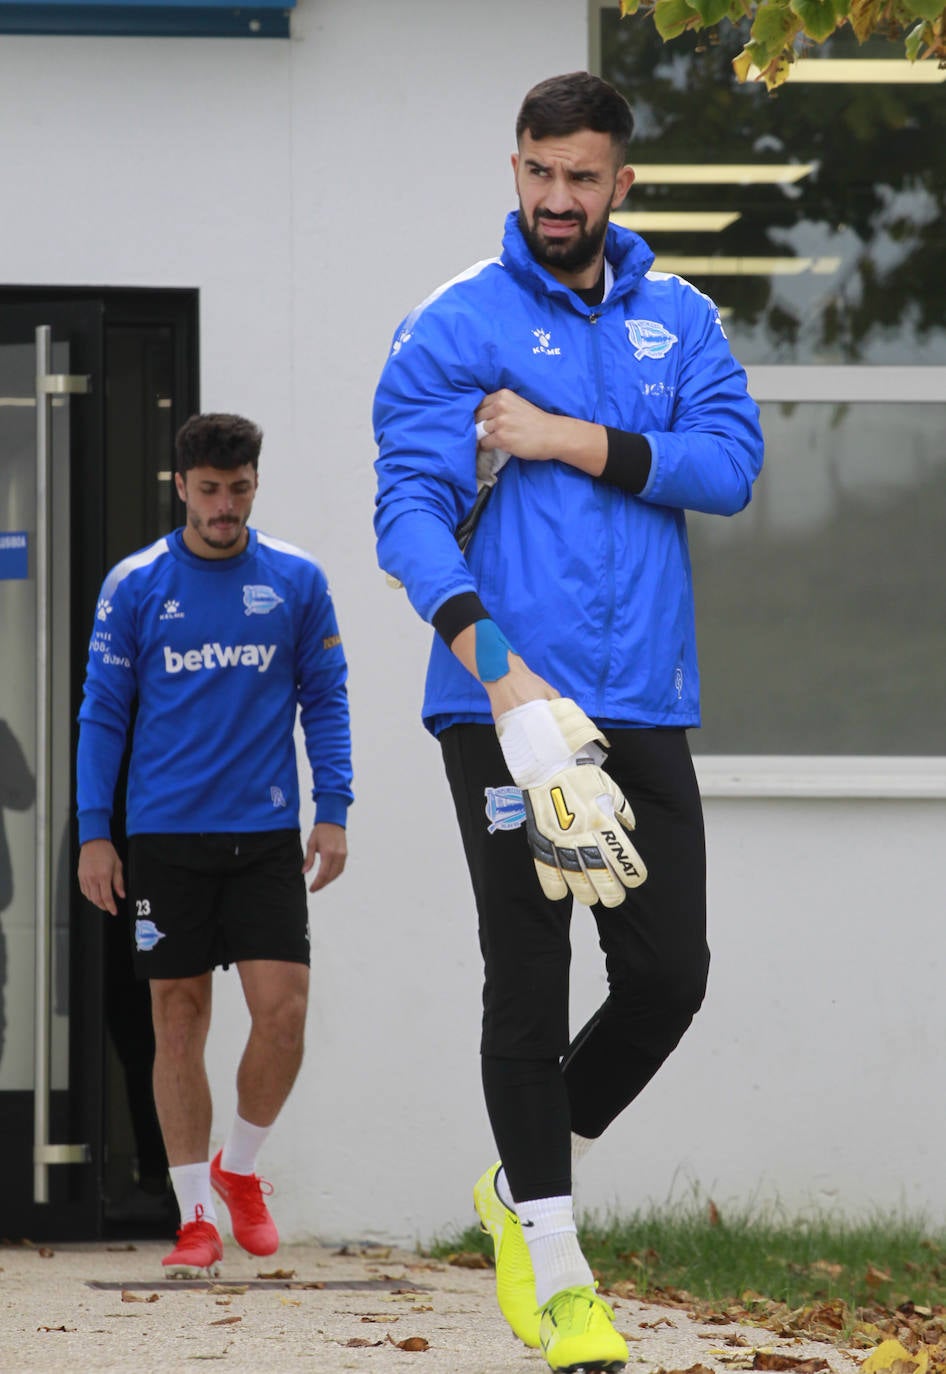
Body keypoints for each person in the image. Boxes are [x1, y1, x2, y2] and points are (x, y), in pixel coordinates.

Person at [373, 71, 764, 1374]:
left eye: (579, 178)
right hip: (499, 701)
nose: (555, 200)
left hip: (641, 694)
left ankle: (512, 1181)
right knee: (528, 973)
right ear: (516, 168)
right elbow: (408, 512)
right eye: (536, 175)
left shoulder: (680, 321)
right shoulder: (452, 323)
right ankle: (556, 1267)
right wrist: (494, 666)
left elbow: (729, 465)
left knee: (665, 975)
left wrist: (570, 438)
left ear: (620, 184)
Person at [77, 412, 353, 1276]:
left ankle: (240, 1169)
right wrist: (96, 833)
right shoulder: (135, 585)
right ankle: (195, 1215)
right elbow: (103, 716)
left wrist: (334, 807)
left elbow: (327, 697)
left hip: (265, 834)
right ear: (181, 488)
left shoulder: (297, 581)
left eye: (238, 490)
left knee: (285, 1014)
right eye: (209, 492)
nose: (224, 507)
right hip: (164, 837)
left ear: (254, 485)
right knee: (179, 1020)